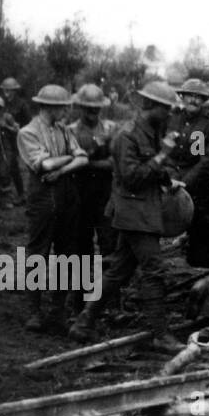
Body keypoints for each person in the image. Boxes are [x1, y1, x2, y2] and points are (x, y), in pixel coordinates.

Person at [70, 82, 184, 349]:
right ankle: (161, 334)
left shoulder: (153, 132)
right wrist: (163, 155)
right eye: (165, 108)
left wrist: (167, 179)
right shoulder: (128, 136)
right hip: (134, 212)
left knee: (118, 270)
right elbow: (131, 178)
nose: (169, 113)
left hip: (145, 210)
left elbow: (151, 168)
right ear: (151, 106)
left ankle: (84, 322)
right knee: (154, 270)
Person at [17, 85, 88, 332]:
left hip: (67, 197)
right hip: (42, 200)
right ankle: (33, 311)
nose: (66, 111)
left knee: (67, 254)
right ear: (48, 107)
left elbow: (83, 158)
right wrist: (67, 159)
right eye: (62, 106)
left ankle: (58, 310)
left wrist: (62, 168)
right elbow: (43, 165)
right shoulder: (27, 132)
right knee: (38, 254)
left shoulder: (64, 131)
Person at [65, 84, 118, 276]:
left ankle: (109, 294)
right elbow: (69, 162)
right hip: (78, 192)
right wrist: (93, 156)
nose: (93, 112)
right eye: (88, 108)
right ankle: (82, 292)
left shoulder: (110, 128)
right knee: (81, 242)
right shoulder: (70, 131)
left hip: (104, 192)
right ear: (80, 108)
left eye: (96, 108)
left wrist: (85, 161)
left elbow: (114, 163)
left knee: (109, 241)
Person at [167, 79, 209, 204]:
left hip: (195, 183)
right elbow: (164, 151)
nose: (193, 100)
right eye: (189, 96)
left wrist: (184, 183)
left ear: (204, 100)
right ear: (182, 97)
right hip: (168, 176)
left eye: (198, 97)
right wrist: (169, 177)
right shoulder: (173, 117)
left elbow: (207, 162)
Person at [1, 76, 30, 205]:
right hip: (4, 138)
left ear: (15, 91)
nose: (6, 94)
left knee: (12, 165)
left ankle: (21, 194)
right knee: (6, 165)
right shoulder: (3, 103)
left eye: (9, 91)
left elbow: (29, 125)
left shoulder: (22, 104)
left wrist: (15, 127)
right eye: (4, 91)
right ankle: (9, 194)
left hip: (17, 139)